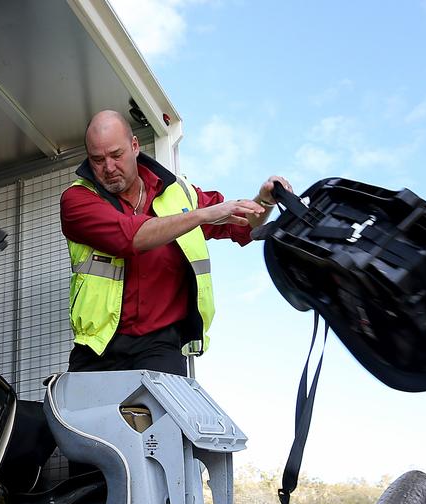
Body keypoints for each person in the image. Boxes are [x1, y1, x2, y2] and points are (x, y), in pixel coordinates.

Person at [61, 110, 290, 376]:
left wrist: (264, 201)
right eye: (98, 159)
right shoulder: (77, 199)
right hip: (98, 348)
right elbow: (130, 237)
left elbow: (242, 227)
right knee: (76, 417)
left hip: (160, 345)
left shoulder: (180, 193)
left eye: (116, 155)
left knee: (167, 417)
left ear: (135, 146)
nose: (108, 168)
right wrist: (203, 214)